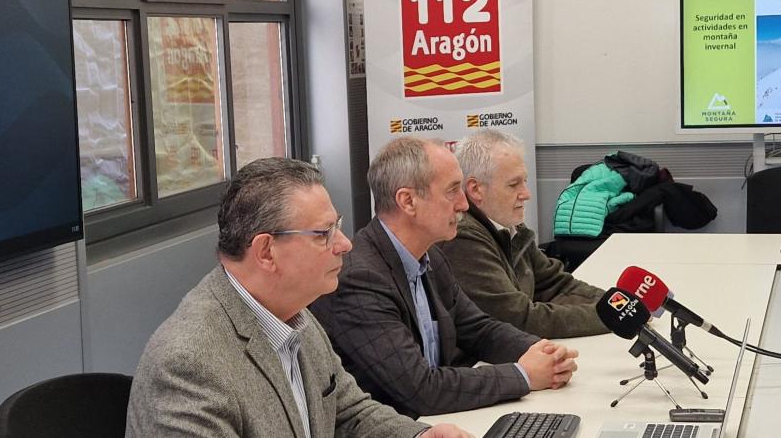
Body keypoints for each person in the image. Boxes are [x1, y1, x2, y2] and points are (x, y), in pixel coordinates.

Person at [126, 157, 472, 438]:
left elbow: (348, 413)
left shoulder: (295, 315)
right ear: (266, 251)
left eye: (337, 226)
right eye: (324, 234)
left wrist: (419, 437)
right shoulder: (188, 363)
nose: (345, 244)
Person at [311, 137, 579, 418]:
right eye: (452, 191)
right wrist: (524, 375)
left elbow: (478, 329)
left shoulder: (431, 256)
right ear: (408, 201)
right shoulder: (360, 279)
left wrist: (543, 353)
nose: (464, 204)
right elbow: (421, 391)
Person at [439, 129, 609, 338]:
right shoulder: (462, 238)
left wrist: (616, 303)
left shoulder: (509, 225)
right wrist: (611, 316)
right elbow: (519, 320)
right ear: (475, 189)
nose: (526, 194)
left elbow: (554, 284)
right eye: (513, 185)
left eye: (525, 181)